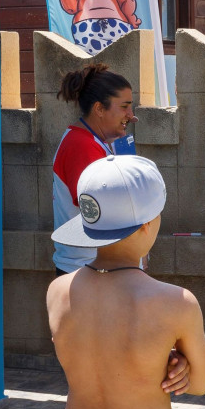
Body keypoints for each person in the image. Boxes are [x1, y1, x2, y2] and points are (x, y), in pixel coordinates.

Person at [48, 155, 205, 409]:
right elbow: (201, 384)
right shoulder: (177, 303)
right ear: (148, 224)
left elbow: (103, 351)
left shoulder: (58, 291)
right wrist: (178, 365)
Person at [53, 63, 137, 276]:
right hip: (89, 271)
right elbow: (99, 211)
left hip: (95, 269)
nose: (131, 115)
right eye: (124, 107)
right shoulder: (81, 146)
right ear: (99, 109)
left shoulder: (94, 141)